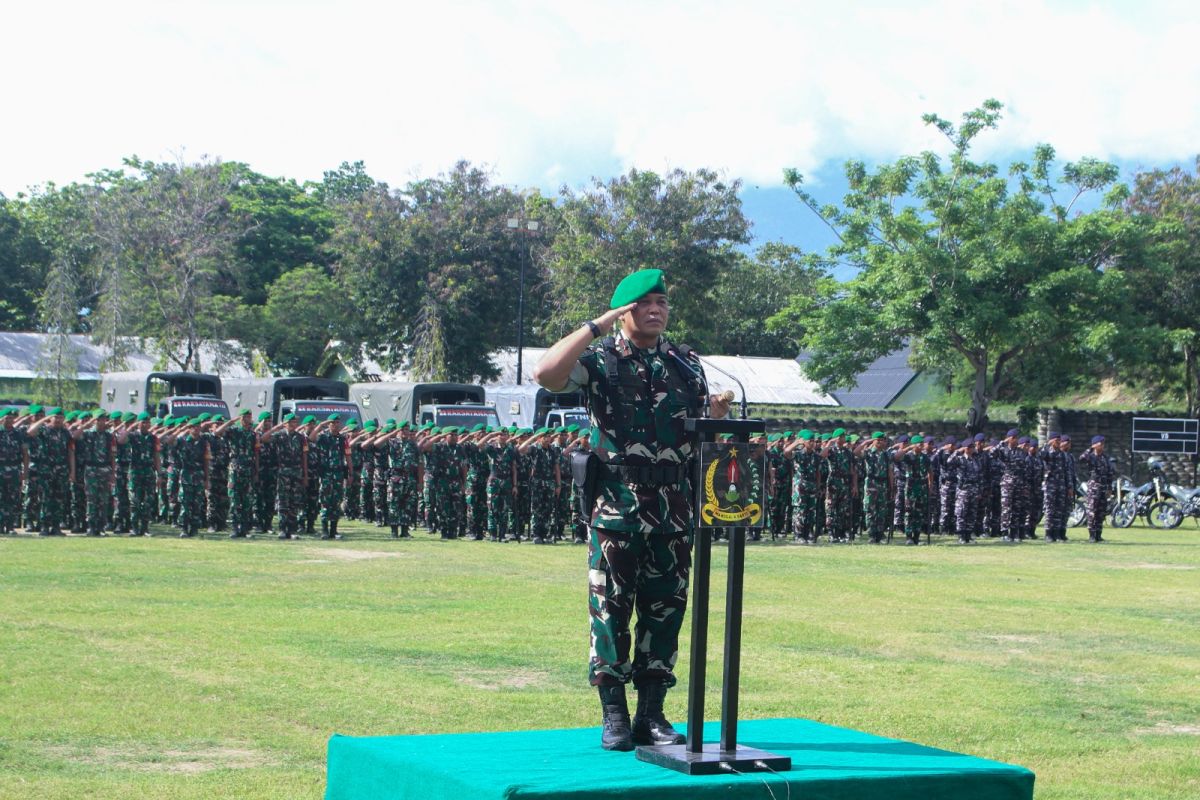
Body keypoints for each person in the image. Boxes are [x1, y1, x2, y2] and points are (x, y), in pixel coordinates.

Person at [533, 268, 729, 752]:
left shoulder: (686, 365)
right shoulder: (598, 359)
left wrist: (716, 417)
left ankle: (652, 714)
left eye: (663, 302)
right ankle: (614, 713)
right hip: (617, 507)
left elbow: (694, 435)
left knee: (666, 612)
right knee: (611, 609)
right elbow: (545, 374)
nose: (657, 310)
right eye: (646, 304)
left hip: (674, 510)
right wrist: (595, 326)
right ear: (625, 311)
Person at [1079, 435, 1115, 542]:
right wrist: (1091, 448)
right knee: (1092, 511)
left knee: (1101, 512)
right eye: (1101, 444)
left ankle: (1098, 535)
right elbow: (1081, 459)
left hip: (1104, 487)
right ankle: (1092, 535)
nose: (1103, 446)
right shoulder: (1090, 456)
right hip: (1094, 487)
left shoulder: (1105, 457)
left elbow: (1110, 473)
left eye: (1103, 444)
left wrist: (1109, 488)